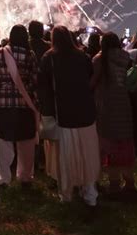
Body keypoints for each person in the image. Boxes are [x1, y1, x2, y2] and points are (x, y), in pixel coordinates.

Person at [39, 25, 100, 207]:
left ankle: (66, 194)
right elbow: (90, 78)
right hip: (86, 113)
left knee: (65, 156)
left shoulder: (49, 57)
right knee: (87, 154)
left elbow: (43, 85)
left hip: (63, 114)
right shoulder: (82, 56)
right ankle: (90, 194)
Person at [92, 33, 137, 201]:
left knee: (109, 143)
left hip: (107, 104)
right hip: (123, 102)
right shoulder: (125, 57)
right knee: (125, 142)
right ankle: (129, 183)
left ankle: (114, 184)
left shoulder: (100, 59)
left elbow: (93, 82)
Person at [0, 24, 39, 187]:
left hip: (4, 103)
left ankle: (3, 177)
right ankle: (25, 176)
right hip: (24, 102)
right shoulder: (30, 54)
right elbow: (34, 79)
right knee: (26, 141)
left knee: (4, 141)